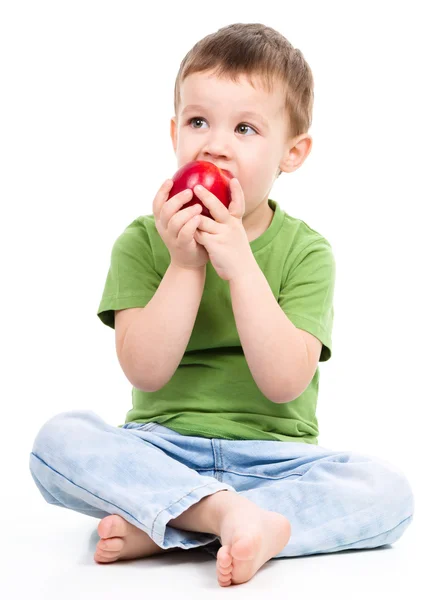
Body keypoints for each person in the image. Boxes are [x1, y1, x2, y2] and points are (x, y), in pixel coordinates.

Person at [29, 22, 414, 587]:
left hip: (274, 462)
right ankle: (221, 517)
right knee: (56, 442)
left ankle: (172, 522)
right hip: (160, 450)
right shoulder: (141, 242)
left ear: (293, 153)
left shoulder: (308, 253)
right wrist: (186, 265)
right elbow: (146, 372)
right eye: (198, 121)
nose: (215, 143)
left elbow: (284, 382)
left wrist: (239, 263)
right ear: (174, 132)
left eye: (246, 128)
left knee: (389, 493)